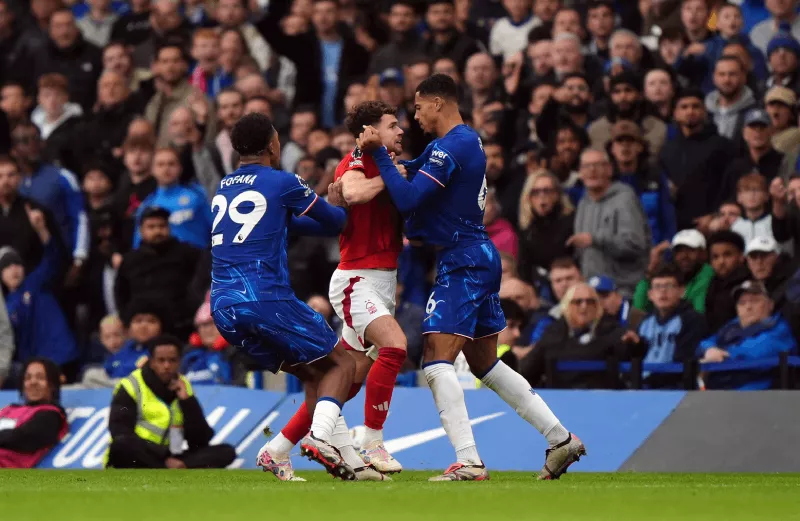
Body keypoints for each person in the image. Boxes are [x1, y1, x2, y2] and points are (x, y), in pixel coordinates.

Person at [358, 74, 583, 481]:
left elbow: (408, 197)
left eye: (419, 106)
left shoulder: (453, 145)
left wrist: (378, 157)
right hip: (475, 255)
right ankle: (560, 438)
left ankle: (469, 460)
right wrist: (393, 163)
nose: (415, 115)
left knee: (436, 357)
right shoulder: (461, 142)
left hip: (463, 257)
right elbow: (415, 172)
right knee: (483, 362)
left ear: (438, 103)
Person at [258, 101, 408, 481]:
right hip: (356, 278)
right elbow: (352, 194)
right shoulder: (356, 159)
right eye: (392, 126)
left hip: (382, 279)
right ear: (370, 132)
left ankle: (276, 449)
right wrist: (392, 179)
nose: (401, 131)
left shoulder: (389, 164)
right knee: (395, 347)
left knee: (347, 380)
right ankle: (370, 443)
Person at [210, 113, 357, 479]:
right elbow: (334, 222)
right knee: (343, 365)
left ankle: (278, 452)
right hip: (264, 299)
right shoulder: (282, 182)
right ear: (273, 145)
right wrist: (337, 199)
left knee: (316, 375)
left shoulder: (225, 186)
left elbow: (286, 223)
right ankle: (321, 439)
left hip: (223, 307)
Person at [104, 335, 236, 468]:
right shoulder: (130, 385)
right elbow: (119, 431)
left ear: (179, 362)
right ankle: (170, 468)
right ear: (151, 362)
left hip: (171, 456)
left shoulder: (184, 386)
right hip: (142, 454)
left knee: (226, 451)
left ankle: (176, 467)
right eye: (161, 360)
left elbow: (200, 441)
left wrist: (187, 401)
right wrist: (163, 456)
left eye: (172, 360)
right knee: (122, 444)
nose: (166, 366)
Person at [1, 206, 80, 382]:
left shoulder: (35, 282)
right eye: (6, 266)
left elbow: (53, 257)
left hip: (62, 356)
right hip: (34, 367)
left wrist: (41, 229)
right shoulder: (5, 305)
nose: (13, 269)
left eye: (17, 264)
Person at [519, 282, 645, 389]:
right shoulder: (553, 333)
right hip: (560, 402)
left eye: (590, 301)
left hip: (602, 402)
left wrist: (635, 345)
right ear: (566, 306)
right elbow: (527, 370)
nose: (584, 306)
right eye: (578, 302)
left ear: (598, 306)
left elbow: (632, 353)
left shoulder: (612, 330)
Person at [570, 148, 651, 296]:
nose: (592, 170)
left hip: (623, 291)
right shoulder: (583, 203)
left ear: (609, 170)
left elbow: (635, 244)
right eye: (586, 166)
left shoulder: (625, 199)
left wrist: (595, 239)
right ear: (580, 173)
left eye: (598, 165)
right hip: (593, 290)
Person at [697, 280, 797, 390]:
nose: (748, 307)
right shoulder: (731, 326)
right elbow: (704, 343)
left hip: (757, 398)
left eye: (755, 301)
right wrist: (709, 350)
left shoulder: (779, 329)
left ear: (770, 305)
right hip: (720, 393)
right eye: (742, 303)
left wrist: (721, 355)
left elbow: (755, 353)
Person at [637, 263, 708, 389]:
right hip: (643, 386)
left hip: (675, 388)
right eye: (657, 287)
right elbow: (637, 357)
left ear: (681, 291)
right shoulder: (645, 322)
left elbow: (684, 360)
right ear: (650, 295)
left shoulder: (692, 320)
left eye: (669, 286)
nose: (663, 291)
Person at [0, 359, 68, 468]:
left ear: (52, 384)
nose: (33, 382)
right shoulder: (9, 409)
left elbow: (24, 437)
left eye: (40, 378)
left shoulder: (50, 415)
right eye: (27, 378)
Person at [634, 229, 715, 313]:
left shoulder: (707, 273)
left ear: (703, 254)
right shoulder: (672, 276)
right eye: (679, 251)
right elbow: (639, 308)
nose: (684, 256)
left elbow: (698, 311)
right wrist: (650, 272)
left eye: (691, 250)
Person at [705, 231, 751, 333]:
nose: (721, 261)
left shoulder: (749, 285)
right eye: (715, 257)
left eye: (727, 255)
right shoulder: (713, 283)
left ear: (741, 256)